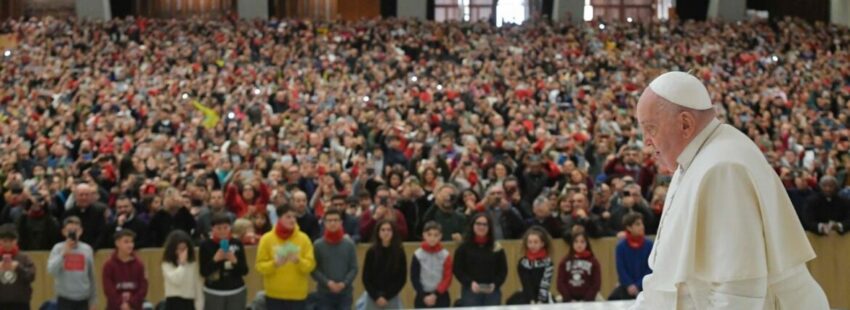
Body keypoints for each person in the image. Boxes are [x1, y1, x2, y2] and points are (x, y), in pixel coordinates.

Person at [632, 71, 828, 309]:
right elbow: (664, 280)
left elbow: (739, 294)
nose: (646, 142)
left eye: (650, 129)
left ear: (685, 124)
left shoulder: (724, 167)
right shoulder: (695, 160)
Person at [255, 204, 316, 309]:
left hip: (297, 295)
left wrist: (298, 261)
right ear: (279, 218)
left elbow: (311, 265)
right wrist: (274, 263)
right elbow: (260, 266)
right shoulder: (266, 239)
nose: (292, 220)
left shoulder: (304, 239)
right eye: (288, 217)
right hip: (274, 295)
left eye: (294, 217)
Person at [453, 213, 507, 306]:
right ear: (472, 225)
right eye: (478, 223)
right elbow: (457, 270)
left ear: (489, 227)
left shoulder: (497, 247)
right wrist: (470, 283)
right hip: (470, 290)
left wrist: (495, 284)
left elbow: (503, 271)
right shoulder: (463, 248)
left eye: (485, 224)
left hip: (492, 291)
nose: (481, 227)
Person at [311, 209, 358, 310]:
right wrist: (327, 283)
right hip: (324, 294)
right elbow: (314, 269)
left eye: (336, 220)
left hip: (345, 294)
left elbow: (354, 268)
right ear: (324, 223)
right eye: (329, 220)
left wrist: (344, 283)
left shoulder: (349, 244)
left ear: (341, 222)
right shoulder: (318, 245)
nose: (333, 223)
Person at [200, 214, 249, 310]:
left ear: (230, 228)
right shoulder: (206, 245)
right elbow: (203, 272)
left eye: (225, 227)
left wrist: (234, 260)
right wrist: (215, 260)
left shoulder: (237, 243)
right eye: (218, 228)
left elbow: (245, 271)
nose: (222, 231)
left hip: (236, 291)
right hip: (213, 292)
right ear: (212, 229)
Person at [47, 216, 97, 310]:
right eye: (70, 230)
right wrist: (63, 255)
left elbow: (91, 277)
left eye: (76, 230)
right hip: (64, 299)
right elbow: (51, 271)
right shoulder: (57, 248)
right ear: (64, 232)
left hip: (83, 299)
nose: (73, 233)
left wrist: (93, 301)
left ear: (81, 231)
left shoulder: (87, 249)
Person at [361, 219, 407, 309]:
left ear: (393, 232)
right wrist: (376, 296)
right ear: (378, 232)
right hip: (372, 297)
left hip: (392, 297)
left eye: (389, 230)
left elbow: (402, 278)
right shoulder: (371, 252)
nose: (386, 232)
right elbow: (366, 277)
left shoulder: (399, 252)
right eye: (383, 230)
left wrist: (387, 296)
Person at [608, 213, 652, 301]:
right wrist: (629, 285)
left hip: (645, 287)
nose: (642, 226)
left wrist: (637, 285)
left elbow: (650, 268)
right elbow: (621, 269)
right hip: (626, 287)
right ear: (629, 227)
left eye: (642, 223)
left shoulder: (649, 245)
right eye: (637, 224)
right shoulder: (621, 247)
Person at [102, 229, 148, 310]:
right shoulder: (109, 265)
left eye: (131, 242)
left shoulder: (139, 264)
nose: (130, 245)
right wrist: (121, 304)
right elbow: (108, 289)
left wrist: (130, 304)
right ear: (117, 243)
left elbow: (143, 288)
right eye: (126, 242)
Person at [410, 221, 453, 308]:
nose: (432, 238)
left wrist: (436, 294)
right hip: (422, 296)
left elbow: (447, 277)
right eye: (429, 234)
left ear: (440, 236)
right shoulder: (417, 254)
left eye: (436, 235)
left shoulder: (445, 255)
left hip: (441, 296)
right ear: (424, 235)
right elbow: (414, 277)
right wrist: (423, 295)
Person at [511, 226, 554, 305]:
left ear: (542, 243)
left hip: (543, 297)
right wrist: (532, 301)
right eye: (530, 242)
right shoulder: (523, 262)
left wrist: (541, 302)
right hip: (527, 297)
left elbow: (545, 283)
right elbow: (526, 283)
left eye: (535, 242)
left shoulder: (548, 262)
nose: (532, 245)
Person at [161, 230, 203, 310]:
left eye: (184, 249)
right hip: (173, 302)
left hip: (189, 302)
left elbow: (198, 287)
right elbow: (176, 280)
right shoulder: (166, 264)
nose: (181, 252)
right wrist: (182, 265)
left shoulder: (192, 264)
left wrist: (199, 307)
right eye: (178, 249)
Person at [557, 232, 601, 302]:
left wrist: (586, 300)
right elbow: (560, 283)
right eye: (576, 242)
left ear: (587, 244)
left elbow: (596, 284)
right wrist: (569, 299)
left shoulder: (594, 261)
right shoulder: (564, 261)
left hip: (589, 299)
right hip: (568, 299)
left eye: (582, 242)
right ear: (572, 244)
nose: (579, 244)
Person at [0, 223, 36, 310]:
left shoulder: (24, 257)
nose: (8, 244)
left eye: (11, 241)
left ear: (16, 241)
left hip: (21, 303)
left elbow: (31, 276)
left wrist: (18, 268)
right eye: (4, 241)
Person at [63, 183, 107, 249]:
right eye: (81, 195)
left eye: (87, 195)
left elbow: (102, 234)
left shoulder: (99, 212)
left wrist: (91, 249)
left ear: (90, 196)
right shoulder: (68, 213)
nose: (84, 197)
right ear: (75, 196)